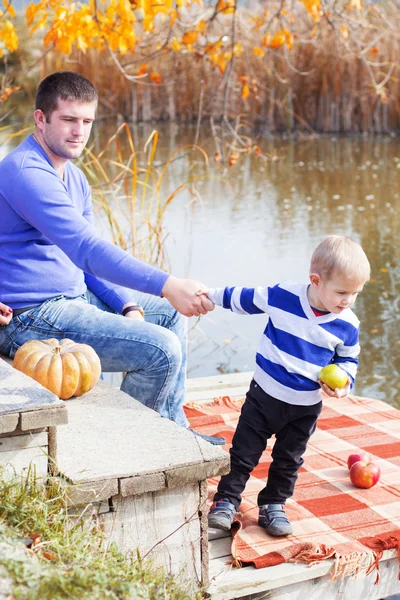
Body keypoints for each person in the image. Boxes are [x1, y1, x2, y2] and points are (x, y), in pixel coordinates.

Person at [0, 71, 225, 445]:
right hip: (31, 318)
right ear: (41, 119)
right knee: (161, 349)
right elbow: (87, 249)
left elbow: (85, 263)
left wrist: (126, 303)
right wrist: (168, 284)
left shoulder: (74, 178)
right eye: (69, 120)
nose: (79, 132)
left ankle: (173, 432)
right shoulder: (24, 172)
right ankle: (133, 445)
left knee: (170, 314)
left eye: (87, 121)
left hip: (71, 301)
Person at [206, 235, 371, 534]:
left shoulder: (347, 324)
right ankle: (226, 500)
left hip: (305, 407)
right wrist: (210, 295)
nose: (348, 301)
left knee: (288, 459)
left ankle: (273, 504)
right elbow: (245, 298)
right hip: (263, 396)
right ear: (316, 281)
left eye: (355, 294)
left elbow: (349, 360)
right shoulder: (284, 296)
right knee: (244, 452)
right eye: (342, 292)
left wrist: (343, 385)